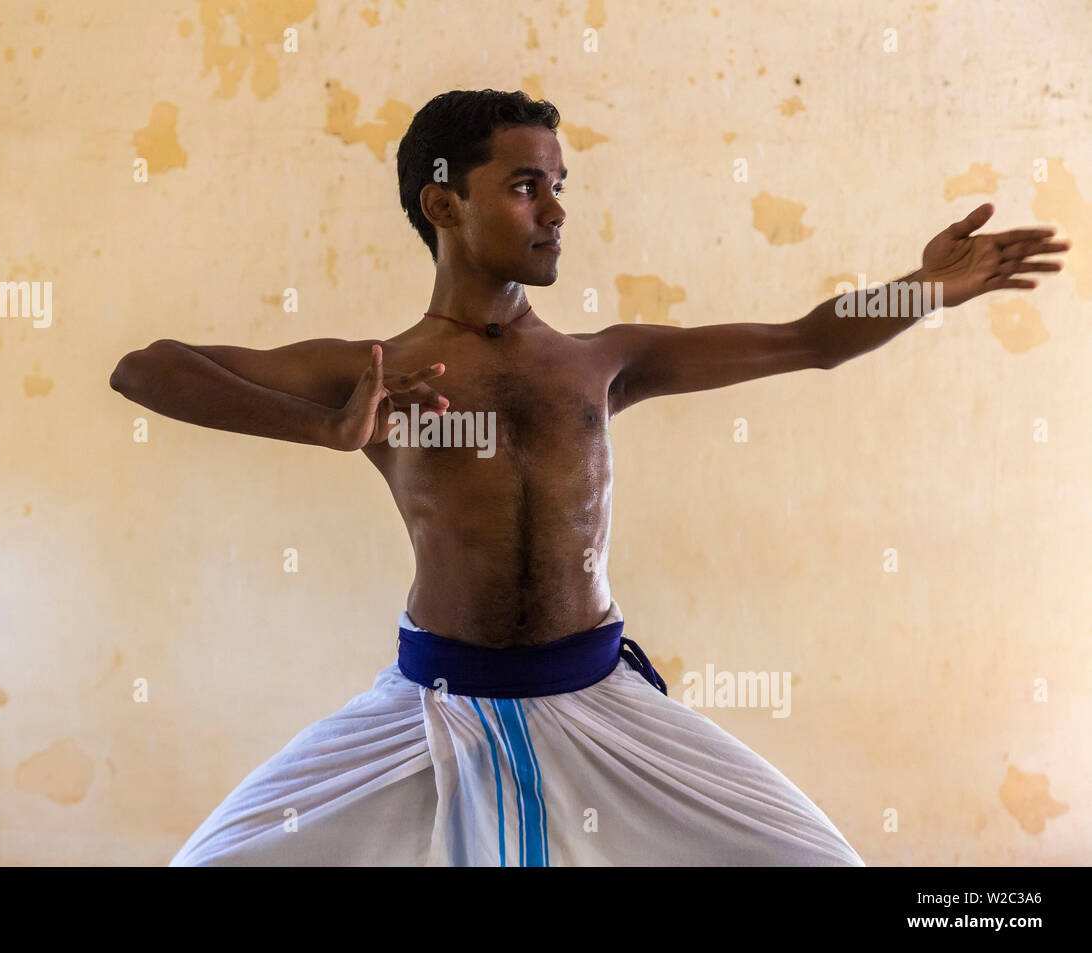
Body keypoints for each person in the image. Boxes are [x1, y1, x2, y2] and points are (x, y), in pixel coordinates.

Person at [109, 89, 1069, 866]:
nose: (557, 209)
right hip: (434, 705)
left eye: (560, 184)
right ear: (443, 202)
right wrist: (325, 424)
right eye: (527, 185)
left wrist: (924, 289)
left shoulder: (602, 361)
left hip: (602, 696)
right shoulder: (376, 367)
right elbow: (147, 366)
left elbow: (808, 341)